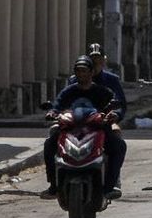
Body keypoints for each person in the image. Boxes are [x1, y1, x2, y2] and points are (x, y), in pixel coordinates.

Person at [42, 56, 126, 199]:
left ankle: (110, 186)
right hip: (71, 127)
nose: (81, 74)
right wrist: (52, 112)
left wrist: (115, 114)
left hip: (97, 127)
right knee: (49, 145)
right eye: (78, 71)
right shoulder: (69, 91)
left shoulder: (102, 91)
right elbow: (57, 105)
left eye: (84, 71)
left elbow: (116, 105)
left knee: (119, 146)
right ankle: (54, 185)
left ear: (91, 72)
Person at [68, 44, 128, 124]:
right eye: (92, 61)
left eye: (99, 61)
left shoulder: (112, 80)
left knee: (115, 130)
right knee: (57, 128)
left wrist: (116, 114)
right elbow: (65, 101)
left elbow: (120, 102)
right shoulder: (75, 80)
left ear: (103, 62)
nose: (96, 65)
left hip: (104, 120)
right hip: (79, 120)